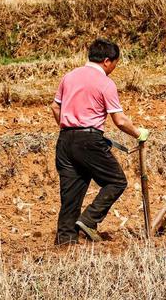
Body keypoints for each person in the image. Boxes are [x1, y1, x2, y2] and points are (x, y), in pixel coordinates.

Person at [50, 38, 149, 245]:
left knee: (71, 192)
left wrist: (70, 127)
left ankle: (66, 240)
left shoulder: (69, 76)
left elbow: (55, 108)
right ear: (106, 61)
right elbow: (120, 120)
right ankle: (88, 220)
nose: (113, 68)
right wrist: (138, 133)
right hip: (89, 140)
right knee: (116, 181)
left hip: (65, 139)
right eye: (114, 64)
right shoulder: (105, 83)